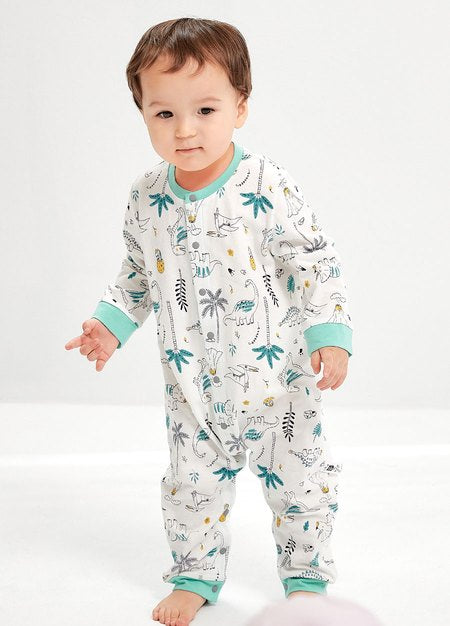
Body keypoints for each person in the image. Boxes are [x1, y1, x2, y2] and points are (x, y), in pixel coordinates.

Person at [65, 17, 354, 626]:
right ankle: (195, 574)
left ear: (240, 107)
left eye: (204, 109)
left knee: (301, 483)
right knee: (190, 485)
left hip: (280, 383)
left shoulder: (265, 184)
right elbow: (138, 272)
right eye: (164, 113)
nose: (185, 129)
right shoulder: (147, 197)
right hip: (192, 385)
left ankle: (306, 577)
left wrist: (328, 335)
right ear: (143, 115)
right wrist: (109, 325)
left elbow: (311, 258)